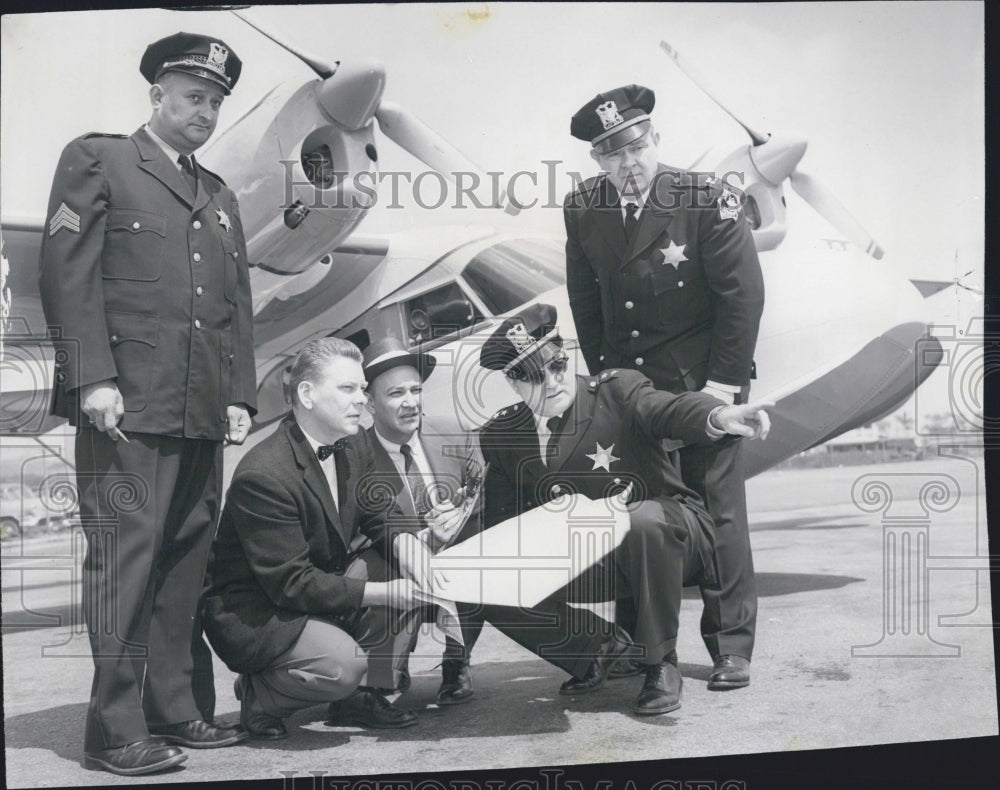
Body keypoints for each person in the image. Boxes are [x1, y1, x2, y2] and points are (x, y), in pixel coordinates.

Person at [37, 32, 256, 776]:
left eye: (216, 102)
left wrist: (240, 397)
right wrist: (90, 377)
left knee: (185, 564)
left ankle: (177, 710)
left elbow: (237, 311)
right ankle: (113, 732)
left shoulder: (219, 194)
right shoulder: (100, 162)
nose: (205, 112)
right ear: (157, 96)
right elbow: (67, 275)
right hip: (125, 410)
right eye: (193, 96)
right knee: (126, 566)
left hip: (199, 415)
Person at [564, 84, 766, 690]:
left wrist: (723, 387)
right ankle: (641, 643)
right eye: (610, 154)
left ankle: (730, 646)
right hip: (633, 395)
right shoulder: (582, 209)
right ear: (596, 159)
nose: (626, 164)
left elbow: (742, 296)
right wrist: (607, 384)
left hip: (701, 384)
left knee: (719, 512)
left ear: (655, 138)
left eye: (634, 147)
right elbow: (586, 301)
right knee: (637, 513)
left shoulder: (708, 198)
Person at [476, 304, 770, 714]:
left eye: (557, 364)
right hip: (592, 558)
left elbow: (669, 410)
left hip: (670, 539)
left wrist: (717, 415)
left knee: (641, 520)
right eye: (533, 374)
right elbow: (500, 526)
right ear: (513, 382)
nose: (552, 381)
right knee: (484, 571)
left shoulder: (616, 392)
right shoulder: (502, 434)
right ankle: (595, 648)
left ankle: (659, 663)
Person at [203, 337, 461, 740]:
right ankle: (262, 693)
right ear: (306, 394)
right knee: (342, 667)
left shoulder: (351, 444)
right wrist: (388, 592)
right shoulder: (264, 474)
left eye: (361, 389)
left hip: (316, 586)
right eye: (348, 389)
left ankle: (361, 699)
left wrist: (416, 550)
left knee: (395, 557)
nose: (361, 400)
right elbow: (292, 584)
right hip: (261, 611)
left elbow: (381, 515)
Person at [361, 336, 485, 706]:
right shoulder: (355, 455)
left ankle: (456, 660)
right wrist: (424, 540)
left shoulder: (456, 433)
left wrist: (463, 515)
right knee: (378, 566)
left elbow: (484, 502)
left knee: (481, 549)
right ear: (369, 402)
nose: (411, 402)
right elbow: (356, 540)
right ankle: (386, 669)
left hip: (459, 569)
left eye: (416, 390)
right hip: (396, 573)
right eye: (396, 393)